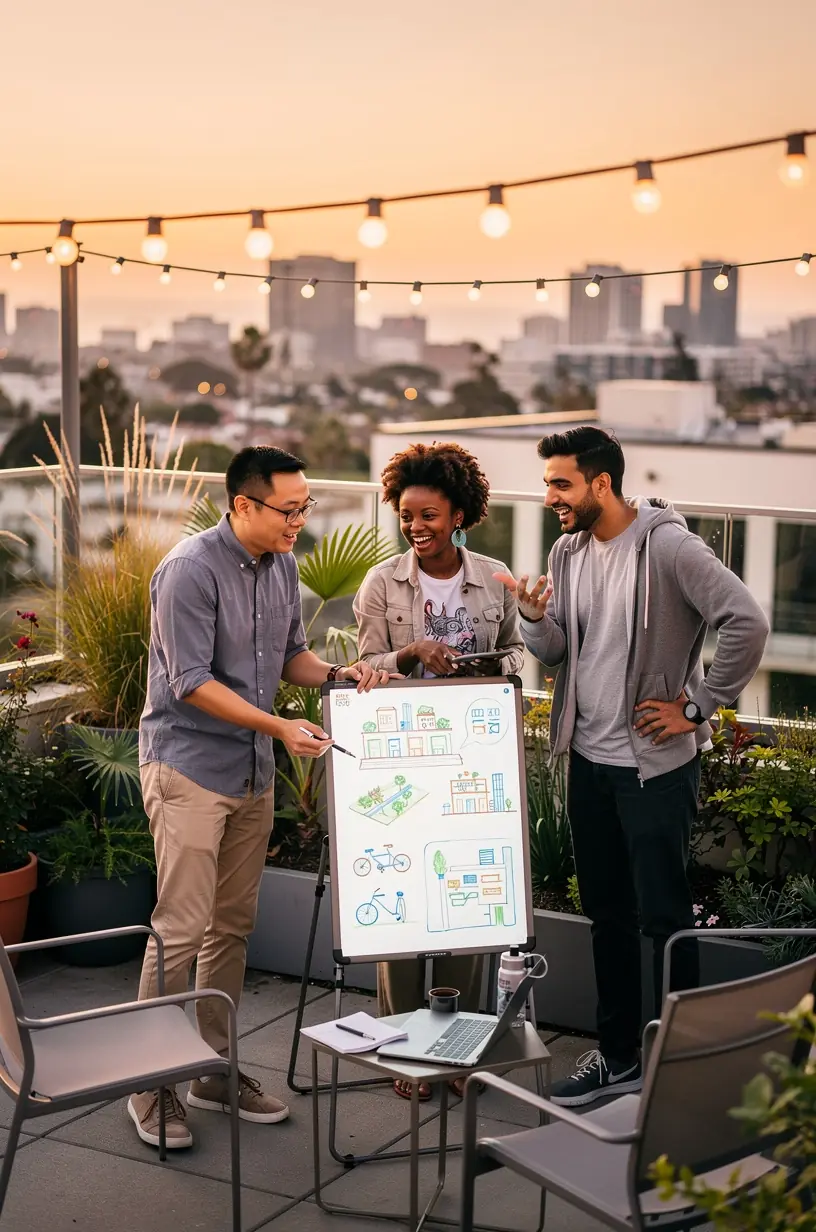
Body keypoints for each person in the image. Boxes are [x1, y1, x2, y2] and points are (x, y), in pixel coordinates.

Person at [495, 426, 768, 1108]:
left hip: (653, 771)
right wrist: (532, 619)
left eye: (561, 483)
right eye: (548, 482)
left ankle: (680, 1065)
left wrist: (700, 705)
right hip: (589, 762)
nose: (550, 495)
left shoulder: (670, 546)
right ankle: (618, 1058)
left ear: (602, 484)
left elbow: (746, 622)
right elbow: (559, 653)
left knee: (666, 920)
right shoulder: (568, 550)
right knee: (607, 915)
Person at [131, 446, 391, 1149]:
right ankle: (148, 1083)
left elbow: (289, 659)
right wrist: (278, 723)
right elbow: (190, 681)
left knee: (230, 930)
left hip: (251, 771)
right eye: (289, 508)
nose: (301, 520)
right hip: (188, 769)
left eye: (306, 507)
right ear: (243, 504)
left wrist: (340, 672)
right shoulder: (188, 570)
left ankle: (210, 1071)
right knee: (180, 929)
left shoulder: (282, 565)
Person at [354, 441, 524, 1100]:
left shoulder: (494, 576)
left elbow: (513, 659)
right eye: (406, 517)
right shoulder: (381, 583)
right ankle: (404, 1050)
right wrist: (411, 653)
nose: (416, 528)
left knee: (469, 904)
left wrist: (482, 667)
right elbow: (366, 667)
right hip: (402, 758)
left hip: (473, 758)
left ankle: (460, 1049)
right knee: (405, 910)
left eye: (428, 515)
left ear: (458, 513)